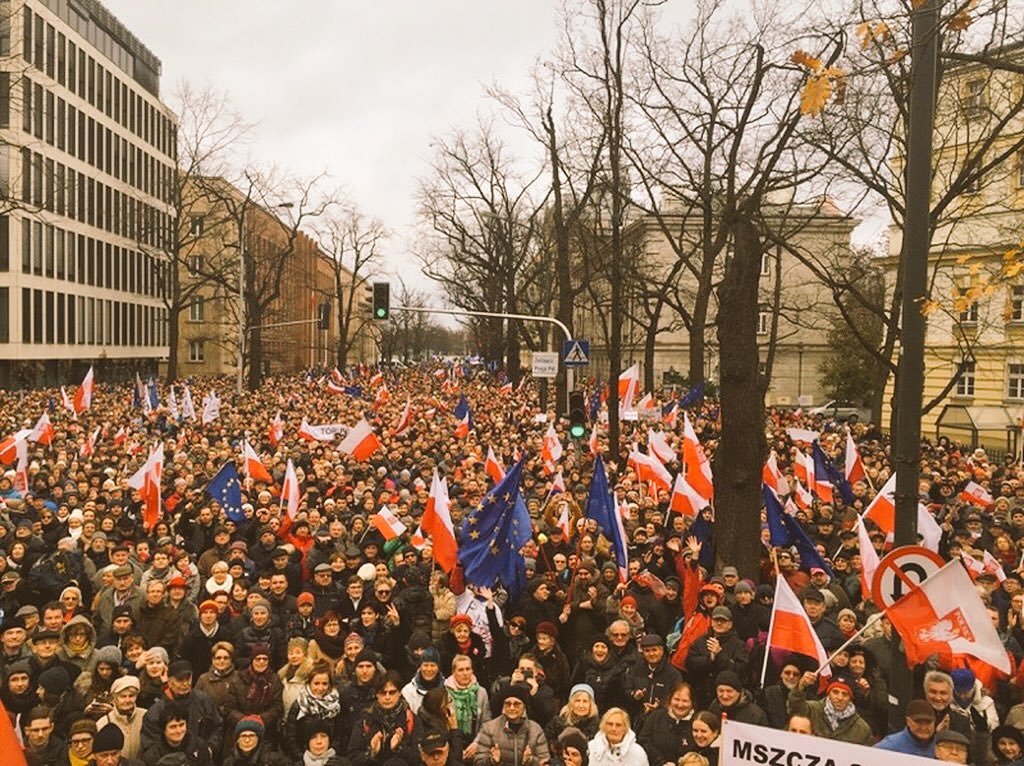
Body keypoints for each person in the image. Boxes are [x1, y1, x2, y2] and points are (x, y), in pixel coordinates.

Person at [346, 671, 420, 766]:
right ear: (377, 694)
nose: (387, 697)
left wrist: (399, 748)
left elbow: (420, 757)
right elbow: (352, 758)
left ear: (399, 693)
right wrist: (371, 753)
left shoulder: (411, 719)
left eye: (392, 692)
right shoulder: (365, 720)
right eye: (383, 693)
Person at [471, 686, 550, 766]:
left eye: (517, 704)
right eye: (508, 704)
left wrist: (531, 761)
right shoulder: (489, 728)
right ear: (503, 706)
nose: (512, 708)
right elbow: (478, 761)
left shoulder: (535, 730)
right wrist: (492, 761)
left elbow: (545, 762)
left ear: (524, 707)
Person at [786, 673, 873, 745]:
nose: (839, 697)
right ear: (828, 694)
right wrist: (800, 687)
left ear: (850, 698)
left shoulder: (862, 729)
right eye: (835, 692)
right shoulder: (812, 709)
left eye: (845, 694)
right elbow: (795, 708)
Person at [283, 662, 344, 760]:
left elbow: (340, 734)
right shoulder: (299, 705)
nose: (320, 688)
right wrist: (302, 758)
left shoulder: (336, 705)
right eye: (316, 683)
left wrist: (332, 754)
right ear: (309, 683)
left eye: (324, 684)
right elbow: (291, 737)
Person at [637, 682, 695, 766]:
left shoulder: (696, 722)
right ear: (670, 699)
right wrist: (661, 762)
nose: (680, 704)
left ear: (692, 703)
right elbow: (643, 741)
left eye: (685, 701)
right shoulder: (656, 717)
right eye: (676, 699)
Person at [141, 703, 214, 766]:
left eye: (181, 725)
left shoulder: (200, 746)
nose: (178, 731)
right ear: (164, 729)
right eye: (173, 727)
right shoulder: (152, 756)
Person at [96, 675, 147, 761]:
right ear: (115, 698)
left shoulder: (146, 716)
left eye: (131, 696)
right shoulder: (103, 723)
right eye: (123, 696)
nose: (127, 700)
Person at [222, 716, 289, 766]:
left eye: (251, 736)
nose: (247, 740)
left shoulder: (273, 760)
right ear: (238, 740)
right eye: (243, 736)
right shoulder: (229, 763)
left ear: (259, 739)